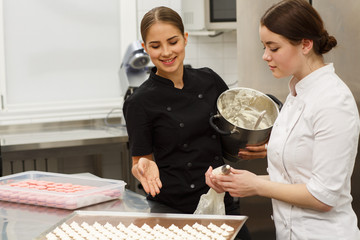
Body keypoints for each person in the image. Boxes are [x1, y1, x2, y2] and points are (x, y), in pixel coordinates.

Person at [206, 0, 360, 239]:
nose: (265, 56)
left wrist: (256, 186)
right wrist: (237, 182)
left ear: (306, 44)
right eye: (264, 46)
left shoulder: (333, 101)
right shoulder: (296, 93)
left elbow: (324, 196)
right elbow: (292, 179)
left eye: (274, 48)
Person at [123, 6, 266, 240]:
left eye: (173, 41)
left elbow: (233, 131)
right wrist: (141, 169)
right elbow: (140, 162)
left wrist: (252, 147)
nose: (166, 52)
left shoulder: (209, 80)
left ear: (185, 39)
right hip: (173, 211)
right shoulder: (139, 102)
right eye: (156, 46)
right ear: (145, 47)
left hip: (221, 199)